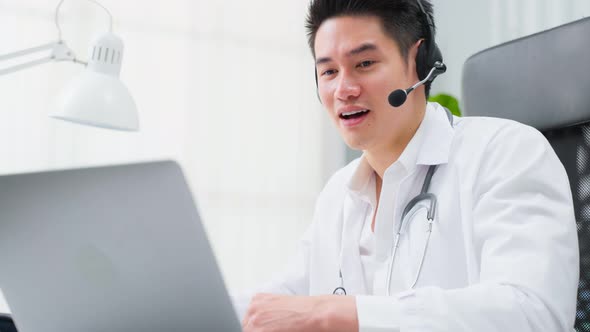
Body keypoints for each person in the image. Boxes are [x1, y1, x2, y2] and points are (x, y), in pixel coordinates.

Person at [237, 0, 580, 331]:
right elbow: (273, 305)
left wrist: (344, 315)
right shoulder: (338, 195)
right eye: (328, 71)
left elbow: (533, 315)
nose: (343, 89)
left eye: (364, 64)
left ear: (418, 61)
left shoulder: (506, 153)